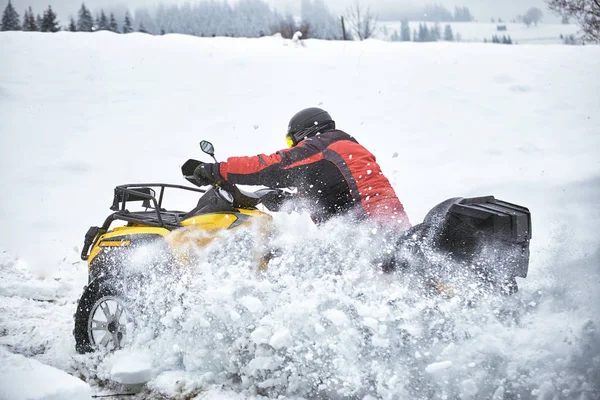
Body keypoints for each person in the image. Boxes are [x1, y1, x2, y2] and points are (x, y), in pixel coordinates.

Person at [193, 107, 411, 231]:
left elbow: (273, 166)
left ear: (303, 133)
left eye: (291, 143)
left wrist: (218, 170)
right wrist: (286, 201)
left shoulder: (322, 146)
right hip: (385, 231)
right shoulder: (343, 150)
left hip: (369, 232)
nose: (294, 148)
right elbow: (335, 196)